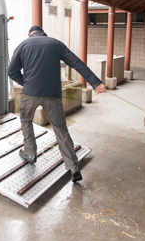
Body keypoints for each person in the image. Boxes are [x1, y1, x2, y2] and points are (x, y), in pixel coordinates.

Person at [8, 25, 105, 182]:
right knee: (60, 129)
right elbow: (77, 63)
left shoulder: (23, 45)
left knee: (26, 121)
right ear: (43, 33)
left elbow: (11, 71)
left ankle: (30, 153)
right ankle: (73, 167)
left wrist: (26, 83)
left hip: (29, 94)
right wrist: (96, 83)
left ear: (30, 34)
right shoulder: (55, 44)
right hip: (52, 95)